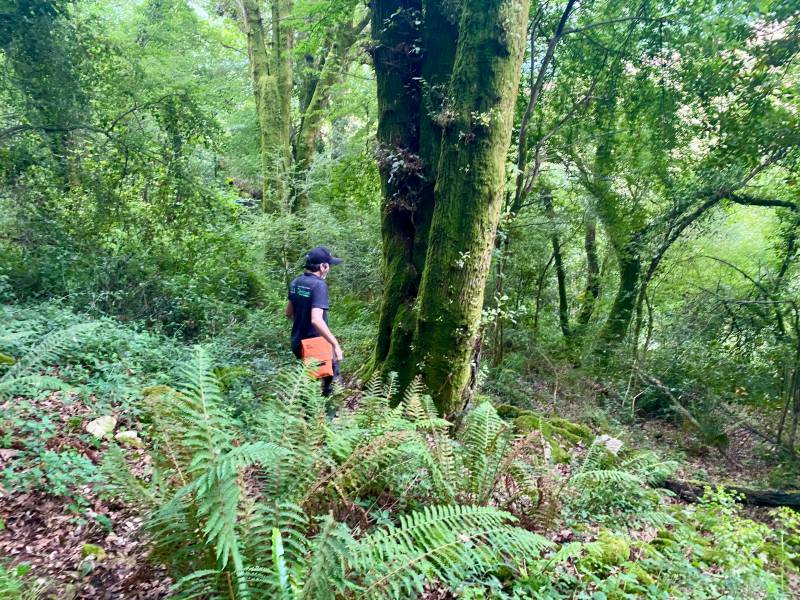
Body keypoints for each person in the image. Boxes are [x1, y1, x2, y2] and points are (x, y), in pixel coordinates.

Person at [285, 246, 344, 396]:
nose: (329, 269)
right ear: (323, 266)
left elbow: (288, 313)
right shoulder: (319, 285)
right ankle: (329, 417)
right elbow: (317, 320)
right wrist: (335, 344)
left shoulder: (296, 282)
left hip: (297, 342)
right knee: (330, 383)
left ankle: (309, 416)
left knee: (309, 382)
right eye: (329, 265)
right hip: (316, 344)